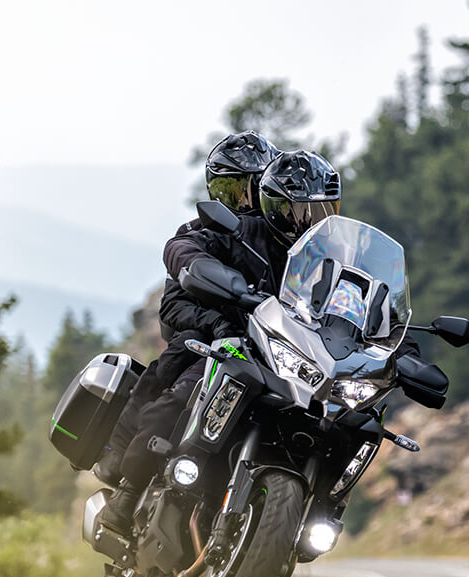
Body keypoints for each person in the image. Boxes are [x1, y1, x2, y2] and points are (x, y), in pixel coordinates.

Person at [98, 149, 421, 533]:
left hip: (304, 362)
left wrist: (404, 353)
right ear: (271, 204)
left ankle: (319, 512)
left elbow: (367, 310)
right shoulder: (239, 234)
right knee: (185, 387)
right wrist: (213, 291)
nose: (305, 222)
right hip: (240, 343)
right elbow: (184, 252)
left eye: (320, 212)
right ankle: (128, 494)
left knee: (355, 422)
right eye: (295, 210)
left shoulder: (336, 261)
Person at [92, 131, 280, 486]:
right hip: (214, 343)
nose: (239, 200)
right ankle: (123, 467)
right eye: (228, 191)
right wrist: (218, 322)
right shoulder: (203, 232)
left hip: (276, 352)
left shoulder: (286, 243)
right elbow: (174, 303)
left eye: (247, 188)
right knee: (179, 371)